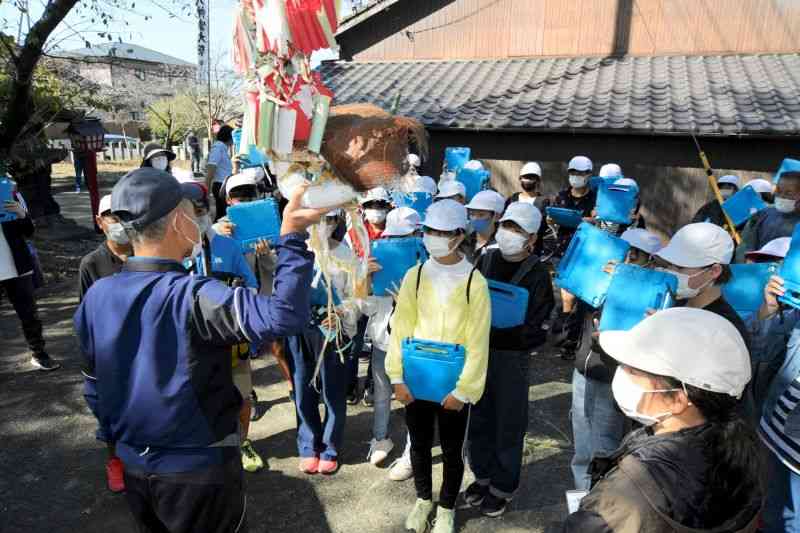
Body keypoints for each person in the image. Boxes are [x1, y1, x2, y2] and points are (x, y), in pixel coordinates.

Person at [75, 167, 327, 533]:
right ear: (178, 219)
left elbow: (93, 384)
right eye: (191, 209)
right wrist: (291, 236)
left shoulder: (98, 295)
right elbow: (283, 315)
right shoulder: (194, 295)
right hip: (197, 470)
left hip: (134, 467)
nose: (198, 215)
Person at [563, 308, 762, 532]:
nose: (620, 373)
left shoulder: (626, 496)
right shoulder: (739, 447)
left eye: (633, 370)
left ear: (678, 399)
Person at [386, 199, 491, 533]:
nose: (435, 237)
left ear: (460, 235)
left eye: (443, 232)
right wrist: (396, 377)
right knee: (417, 443)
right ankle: (422, 500)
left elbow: (478, 342)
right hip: (415, 378)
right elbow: (400, 329)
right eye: (430, 230)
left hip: (453, 382)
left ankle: (446, 507)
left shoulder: (476, 282)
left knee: (450, 449)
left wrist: (464, 390)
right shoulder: (414, 275)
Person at [466, 202, 554, 517]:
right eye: (507, 225)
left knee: (508, 422)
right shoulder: (485, 259)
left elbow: (539, 328)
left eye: (518, 230)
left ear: (531, 238)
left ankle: (502, 486)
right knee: (478, 417)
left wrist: (506, 332)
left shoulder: (538, 272)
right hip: (478, 353)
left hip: (511, 359)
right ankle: (482, 476)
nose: (509, 234)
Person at [567, 227, 663, 491]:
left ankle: (601, 506)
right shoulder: (602, 282)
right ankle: (581, 502)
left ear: (650, 261)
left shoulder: (652, 295)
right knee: (583, 446)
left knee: (604, 448)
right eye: (624, 253)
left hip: (613, 378)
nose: (625, 261)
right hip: (585, 369)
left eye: (634, 255)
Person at [186, 182, 268, 473]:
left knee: (241, 397)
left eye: (201, 209)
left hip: (231, 341)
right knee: (197, 398)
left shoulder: (227, 245)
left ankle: (242, 442)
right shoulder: (177, 250)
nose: (198, 216)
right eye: (190, 211)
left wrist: (239, 294)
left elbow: (253, 284)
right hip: (192, 343)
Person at [287, 209, 363, 476]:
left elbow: (358, 297)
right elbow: (279, 287)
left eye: (329, 219)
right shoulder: (294, 250)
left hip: (332, 333)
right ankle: (308, 445)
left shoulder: (346, 255)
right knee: (302, 388)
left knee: (333, 392)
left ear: (336, 222)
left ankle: (330, 447)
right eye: (317, 219)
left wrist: (341, 313)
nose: (322, 225)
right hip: (299, 330)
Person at [78, 194, 133, 493]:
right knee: (110, 416)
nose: (120, 224)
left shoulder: (144, 255)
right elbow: (86, 317)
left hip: (141, 354)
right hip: (106, 359)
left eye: (124, 216)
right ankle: (115, 462)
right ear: (100, 223)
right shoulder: (92, 264)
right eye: (112, 216)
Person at [364, 207, 423, 469]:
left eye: (402, 238)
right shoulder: (379, 260)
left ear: (417, 236)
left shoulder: (428, 266)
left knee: (412, 398)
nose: (394, 244)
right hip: (381, 342)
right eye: (391, 238)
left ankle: (412, 451)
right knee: (381, 394)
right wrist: (365, 278)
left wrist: (408, 301)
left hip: (412, 345)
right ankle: (380, 439)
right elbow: (366, 308)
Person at [653, 222, 750, 348]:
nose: (672, 273)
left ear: (714, 271)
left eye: (680, 267)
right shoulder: (672, 304)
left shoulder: (727, 328)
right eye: (669, 265)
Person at [753, 275, 800, 532]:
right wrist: (770, 308)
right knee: (770, 516)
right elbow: (761, 349)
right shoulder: (796, 313)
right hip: (773, 433)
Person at [1, 184, 58, 370]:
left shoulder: (9, 190)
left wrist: (21, 214)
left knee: (29, 315)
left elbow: (29, 231)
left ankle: (39, 354)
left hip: (17, 266)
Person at [345, 186, 393, 405]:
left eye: (380, 205)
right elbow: (343, 266)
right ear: (363, 208)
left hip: (386, 298)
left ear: (388, 207)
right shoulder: (353, 233)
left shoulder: (397, 231)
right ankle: (350, 384)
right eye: (371, 205)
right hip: (359, 295)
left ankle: (373, 385)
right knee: (354, 345)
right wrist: (362, 268)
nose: (376, 210)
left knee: (380, 345)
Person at [736, 170, 800, 262]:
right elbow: (745, 245)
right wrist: (746, 261)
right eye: (778, 191)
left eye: (788, 193)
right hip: (758, 271)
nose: (782, 196)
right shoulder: (762, 215)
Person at [206, 124, 235, 221]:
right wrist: (206, 192)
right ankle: (211, 236)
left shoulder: (223, 149)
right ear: (229, 137)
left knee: (224, 216)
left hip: (224, 186)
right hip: (220, 186)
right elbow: (210, 170)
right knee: (222, 217)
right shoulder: (218, 148)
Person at [466, 189, 505, 256]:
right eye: (472, 214)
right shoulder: (465, 240)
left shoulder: (502, 246)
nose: (475, 218)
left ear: (496, 217)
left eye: (481, 215)